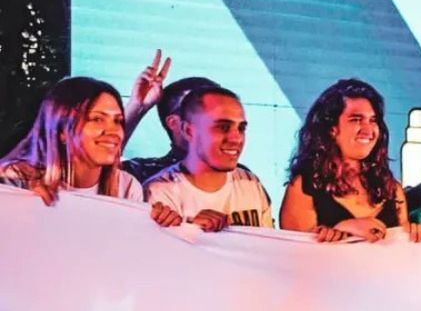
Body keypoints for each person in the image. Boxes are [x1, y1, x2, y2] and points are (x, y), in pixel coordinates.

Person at [0, 77, 166, 219]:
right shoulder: (17, 178)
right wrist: (19, 206)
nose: (113, 131)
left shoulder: (126, 186)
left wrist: (162, 226)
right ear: (61, 131)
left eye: (117, 120)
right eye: (97, 119)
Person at [280, 79, 421, 243]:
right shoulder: (304, 188)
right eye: (356, 119)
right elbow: (294, 257)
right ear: (331, 129)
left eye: (373, 120)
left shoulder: (391, 189)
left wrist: (417, 234)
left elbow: (402, 254)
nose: (368, 130)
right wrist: (342, 229)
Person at [145, 86, 273, 232]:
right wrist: (191, 230)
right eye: (223, 127)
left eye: (241, 128)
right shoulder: (160, 192)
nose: (236, 138)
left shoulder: (251, 184)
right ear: (189, 131)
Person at [119, 50, 221, 184]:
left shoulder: (241, 177)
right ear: (173, 122)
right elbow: (97, 170)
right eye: (204, 110)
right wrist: (137, 107)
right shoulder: (142, 172)